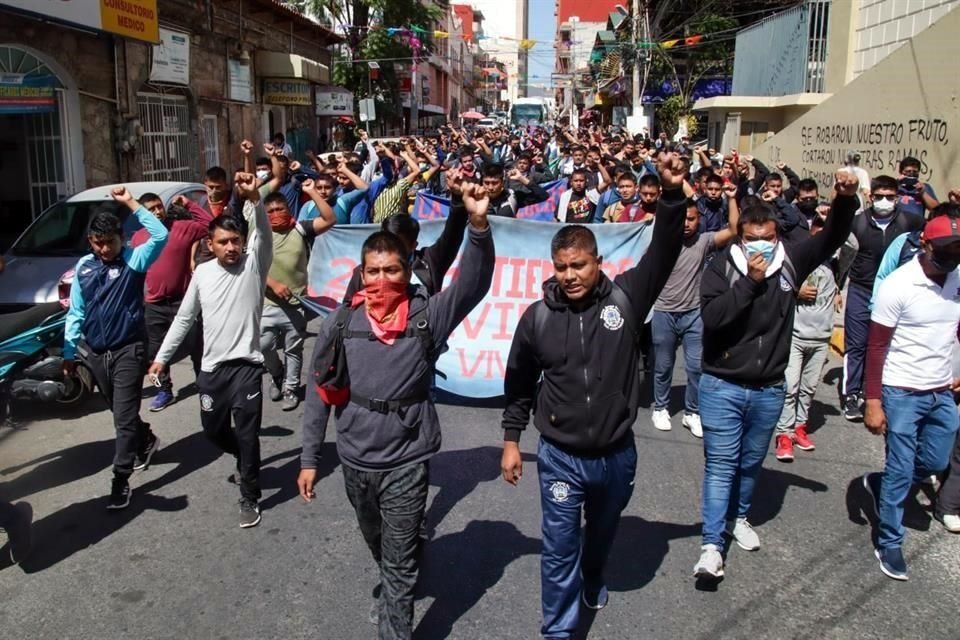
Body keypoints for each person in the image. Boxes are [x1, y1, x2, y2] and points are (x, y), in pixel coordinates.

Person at [500, 155, 688, 639]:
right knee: (560, 547)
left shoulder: (627, 299)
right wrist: (510, 439)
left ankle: (595, 572)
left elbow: (665, 251)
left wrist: (671, 197)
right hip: (560, 457)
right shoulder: (537, 319)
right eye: (561, 267)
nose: (569, 275)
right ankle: (558, 632)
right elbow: (519, 381)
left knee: (599, 535)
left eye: (578, 264)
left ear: (597, 262)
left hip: (617, 456)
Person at [297, 184, 495, 639]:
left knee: (400, 563)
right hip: (354, 458)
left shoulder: (429, 316)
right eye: (372, 272)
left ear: (408, 272)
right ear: (360, 274)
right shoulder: (341, 322)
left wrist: (478, 227)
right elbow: (319, 390)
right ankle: (392, 575)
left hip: (407, 459)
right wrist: (309, 458)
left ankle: (394, 620)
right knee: (379, 544)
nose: (381, 281)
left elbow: (473, 284)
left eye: (391, 271)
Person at [692, 171, 859, 580]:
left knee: (750, 464)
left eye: (768, 237)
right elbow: (713, 318)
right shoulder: (720, 268)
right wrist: (750, 282)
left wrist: (844, 199)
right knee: (721, 466)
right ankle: (712, 546)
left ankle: (741, 518)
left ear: (778, 237)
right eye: (752, 239)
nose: (761, 246)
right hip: (722, 385)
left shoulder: (792, 262)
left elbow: (832, 238)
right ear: (740, 239)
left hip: (768, 389)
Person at [301, 168, 472, 458]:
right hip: (374, 350)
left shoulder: (430, 261)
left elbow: (455, 233)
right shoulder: (365, 272)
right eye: (384, 241)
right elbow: (348, 312)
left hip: (416, 350)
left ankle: (413, 456)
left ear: (413, 245)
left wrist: (457, 198)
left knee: (414, 403)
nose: (386, 254)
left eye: (397, 248)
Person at [148, 172, 272, 529]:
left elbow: (262, 232)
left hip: (247, 368)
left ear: (243, 243)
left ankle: (249, 495)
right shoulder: (202, 273)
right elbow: (185, 319)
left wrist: (256, 201)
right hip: (212, 372)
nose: (231, 247)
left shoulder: (254, 264)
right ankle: (244, 457)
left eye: (236, 241)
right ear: (212, 245)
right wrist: (162, 358)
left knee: (248, 435)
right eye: (223, 242)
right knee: (213, 432)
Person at [861, 213, 960, 580]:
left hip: (940, 391)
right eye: (946, 250)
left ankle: (882, 484)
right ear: (926, 244)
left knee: (935, 462)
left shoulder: (958, 280)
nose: (952, 258)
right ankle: (889, 541)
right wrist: (873, 401)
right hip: (901, 390)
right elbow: (876, 346)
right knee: (902, 470)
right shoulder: (898, 285)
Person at [63, 186, 170, 509]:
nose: (105, 248)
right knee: (121, 412)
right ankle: (145, 438)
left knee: (122, 418)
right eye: (98, 243)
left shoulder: (134, 261)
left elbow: (160, 234)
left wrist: (130, 203)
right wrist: (68, 354)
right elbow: (76, 313)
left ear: (121, 238)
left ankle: (120, 479)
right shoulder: (84, 268)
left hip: (129, 349)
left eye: (110, 241)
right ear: (90, 242)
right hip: (96, 352)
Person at [651, 183, 740, 437]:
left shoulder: (704, 242)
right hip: (664, 312)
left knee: (695, 367)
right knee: (664, 365)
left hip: (694, 314)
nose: (687, 224)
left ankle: (692, 412)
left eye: (691, 219)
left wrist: (732, 198)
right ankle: (661, 407)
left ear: (699, 219)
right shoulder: (661, 242)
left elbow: (734, 229)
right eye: (683, 219)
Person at [841, 176, 924, 422]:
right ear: (870, 197)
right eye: (879, 196)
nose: (884, 201)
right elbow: (843, 256)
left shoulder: (910, 221)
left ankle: (874, 393)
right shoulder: (857, 223)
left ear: (897, 198)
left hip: (896, 293)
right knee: (856, 345)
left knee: (884, 345)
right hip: (861, 289)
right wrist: (837, 288)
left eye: (890, 196)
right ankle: (851, 395)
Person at [260, 180, 337, 411]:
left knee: (293, 349)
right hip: (266, 304)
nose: (275, 214)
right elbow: (252, 267)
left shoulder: (300, 229)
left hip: (295, 304)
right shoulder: (259, 235)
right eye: (270, 211)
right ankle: (276, 374)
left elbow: (329, 219)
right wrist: (272, 284)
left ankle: (291, 389)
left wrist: (311, 191)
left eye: (279, 209)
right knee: (264, 346)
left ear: (288, 210)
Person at [134, 192, 212, 412]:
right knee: (155, 354)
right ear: (142, 215)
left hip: (183, 302)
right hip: (154, 305)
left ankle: (204, 385)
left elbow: (209, 225)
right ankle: (163, 390)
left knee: (198, 347)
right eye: (151, 209)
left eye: (159, 206)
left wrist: (189, 204)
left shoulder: (181, 227)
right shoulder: (138, 238)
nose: (158, 211)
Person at [774, 214, 839, 461]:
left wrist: (835, 214)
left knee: (809, 388)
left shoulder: (835, 263)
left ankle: (800, 426)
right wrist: (795, 291)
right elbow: (777, 286)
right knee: (790, 386)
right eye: (818, 236)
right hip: (796, 336)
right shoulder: (798, 261)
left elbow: (853, 244)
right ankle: (784, 433)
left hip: (821, 338)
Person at [480, 163, 550, 217]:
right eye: (486, 183)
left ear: (502, 182)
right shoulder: (476, 198)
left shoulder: (513, 196)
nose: (490, 187)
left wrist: (521, 178)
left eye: (495, 183)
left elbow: (543, 196)